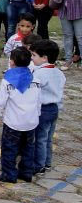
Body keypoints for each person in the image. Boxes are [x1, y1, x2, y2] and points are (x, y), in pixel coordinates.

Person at [0, 47, 41, 183]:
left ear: (12, 62)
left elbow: (0, 100)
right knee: (28, 148)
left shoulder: (8, 80)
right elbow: (38, 100)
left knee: (9, 148)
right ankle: (26, 172)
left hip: (13, 122)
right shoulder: (35, 78)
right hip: (31, 121)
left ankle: (9, 174)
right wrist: (38, 113)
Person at [29, 39, 65, 175]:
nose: (32, 59)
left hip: (42, 110)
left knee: (40, 138)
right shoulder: (59, 73)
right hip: (54, 108)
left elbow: (34, 92)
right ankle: (47, 162)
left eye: (34, 55)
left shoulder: (39, 74)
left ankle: (39, 165)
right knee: (48, 137)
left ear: (44, 58)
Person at [55, 0, 82, 69]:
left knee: (80, 36)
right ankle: (68, 60)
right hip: (65, 9)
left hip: (78, 8)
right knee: (67, 35)